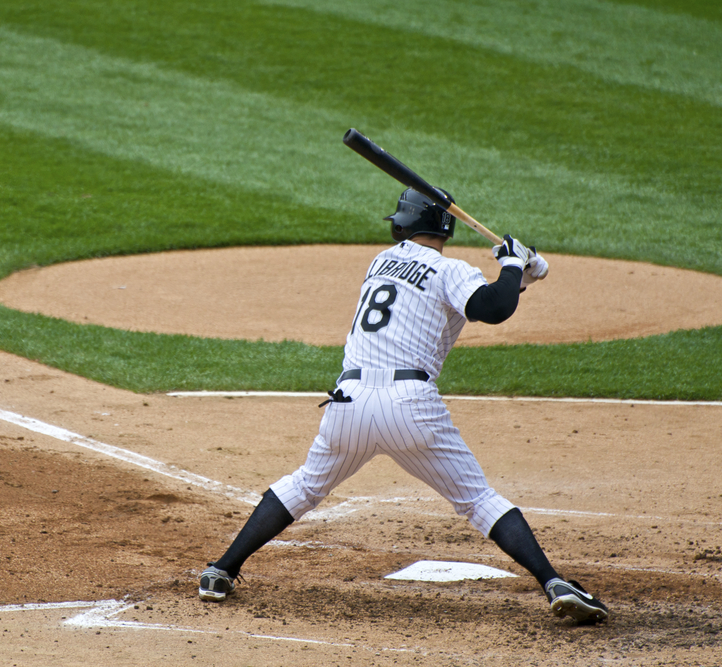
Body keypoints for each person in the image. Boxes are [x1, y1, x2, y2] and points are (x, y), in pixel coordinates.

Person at [197, 188, 609, 624]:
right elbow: (492, 308)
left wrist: (520, 277)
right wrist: (511, 265)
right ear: (444, 226)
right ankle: (554, 583)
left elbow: (485, 301)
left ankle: (221, 569)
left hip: (348, 404)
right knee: (477, 500)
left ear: (402, 225)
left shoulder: (380, 261)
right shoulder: (452, 270)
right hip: (410, 408)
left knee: (304, 487)